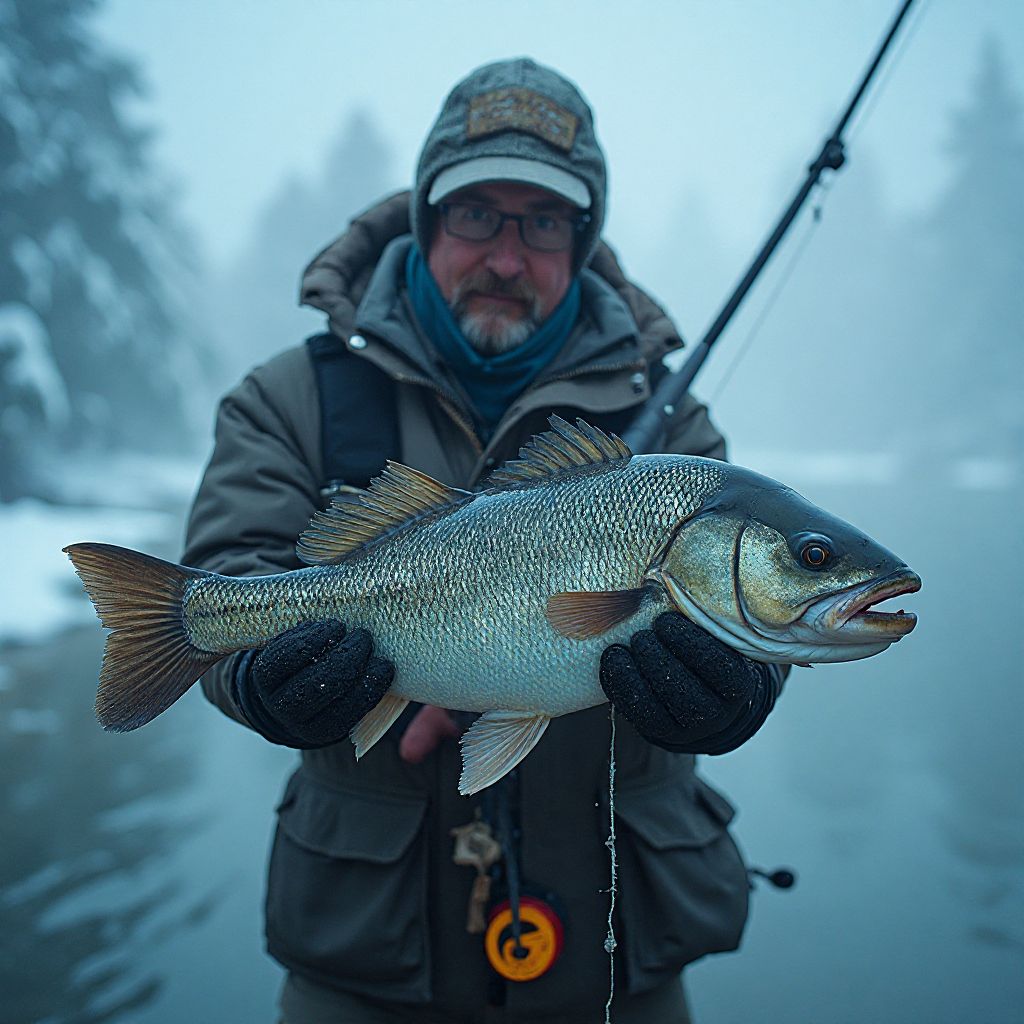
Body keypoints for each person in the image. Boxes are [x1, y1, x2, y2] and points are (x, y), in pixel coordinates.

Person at [183, 58, 783, 1024]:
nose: (507, 254)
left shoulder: (678, 437)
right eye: (476, 214)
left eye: (544, 222)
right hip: (366, 963)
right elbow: (226, 576)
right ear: (424, 219)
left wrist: (738, 689)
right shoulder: (287, 399)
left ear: (583, 243)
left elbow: (765, 606)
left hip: (620, 958)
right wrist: (262, 677)